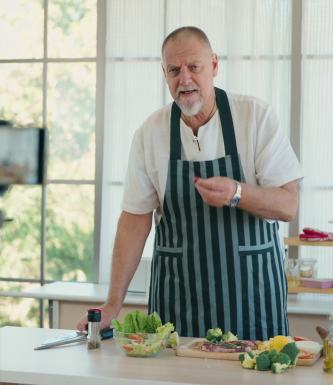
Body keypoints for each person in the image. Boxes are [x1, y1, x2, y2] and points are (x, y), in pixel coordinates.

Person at [76, 26, 303, 340]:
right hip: (178, 304)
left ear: (213, 66)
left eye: (194, 67)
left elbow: (288, 205)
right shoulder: (150, 133)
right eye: (174, 70)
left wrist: (237, 193)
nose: (184, 79)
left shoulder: (255, 117)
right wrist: (113, 304)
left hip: (252, 300)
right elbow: (134, 220)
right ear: (164, 74)